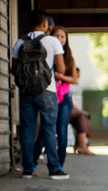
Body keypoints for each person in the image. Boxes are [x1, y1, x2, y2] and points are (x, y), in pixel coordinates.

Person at [11, 9, 69, 180]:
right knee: (49, 130)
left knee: (28, 130)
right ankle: (54, 169)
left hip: (27, 92)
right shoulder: (52, 41)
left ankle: (28, 169)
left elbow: (13, 69)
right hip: (47, 91)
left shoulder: (20, 42)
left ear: (29, 24)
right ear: (45, 24)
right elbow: (61, 69)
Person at [33, 25, 77, 170]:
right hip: (48, 95)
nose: (59, 38)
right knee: (45, 130)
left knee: (61, 130)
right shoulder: (47, 51)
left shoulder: (69, 57)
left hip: (64, 98)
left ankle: (59, 165)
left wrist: (59, 76)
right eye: (56, 35)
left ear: (66, 39)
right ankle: (32, 163)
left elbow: (74, 80)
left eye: (62, 36)